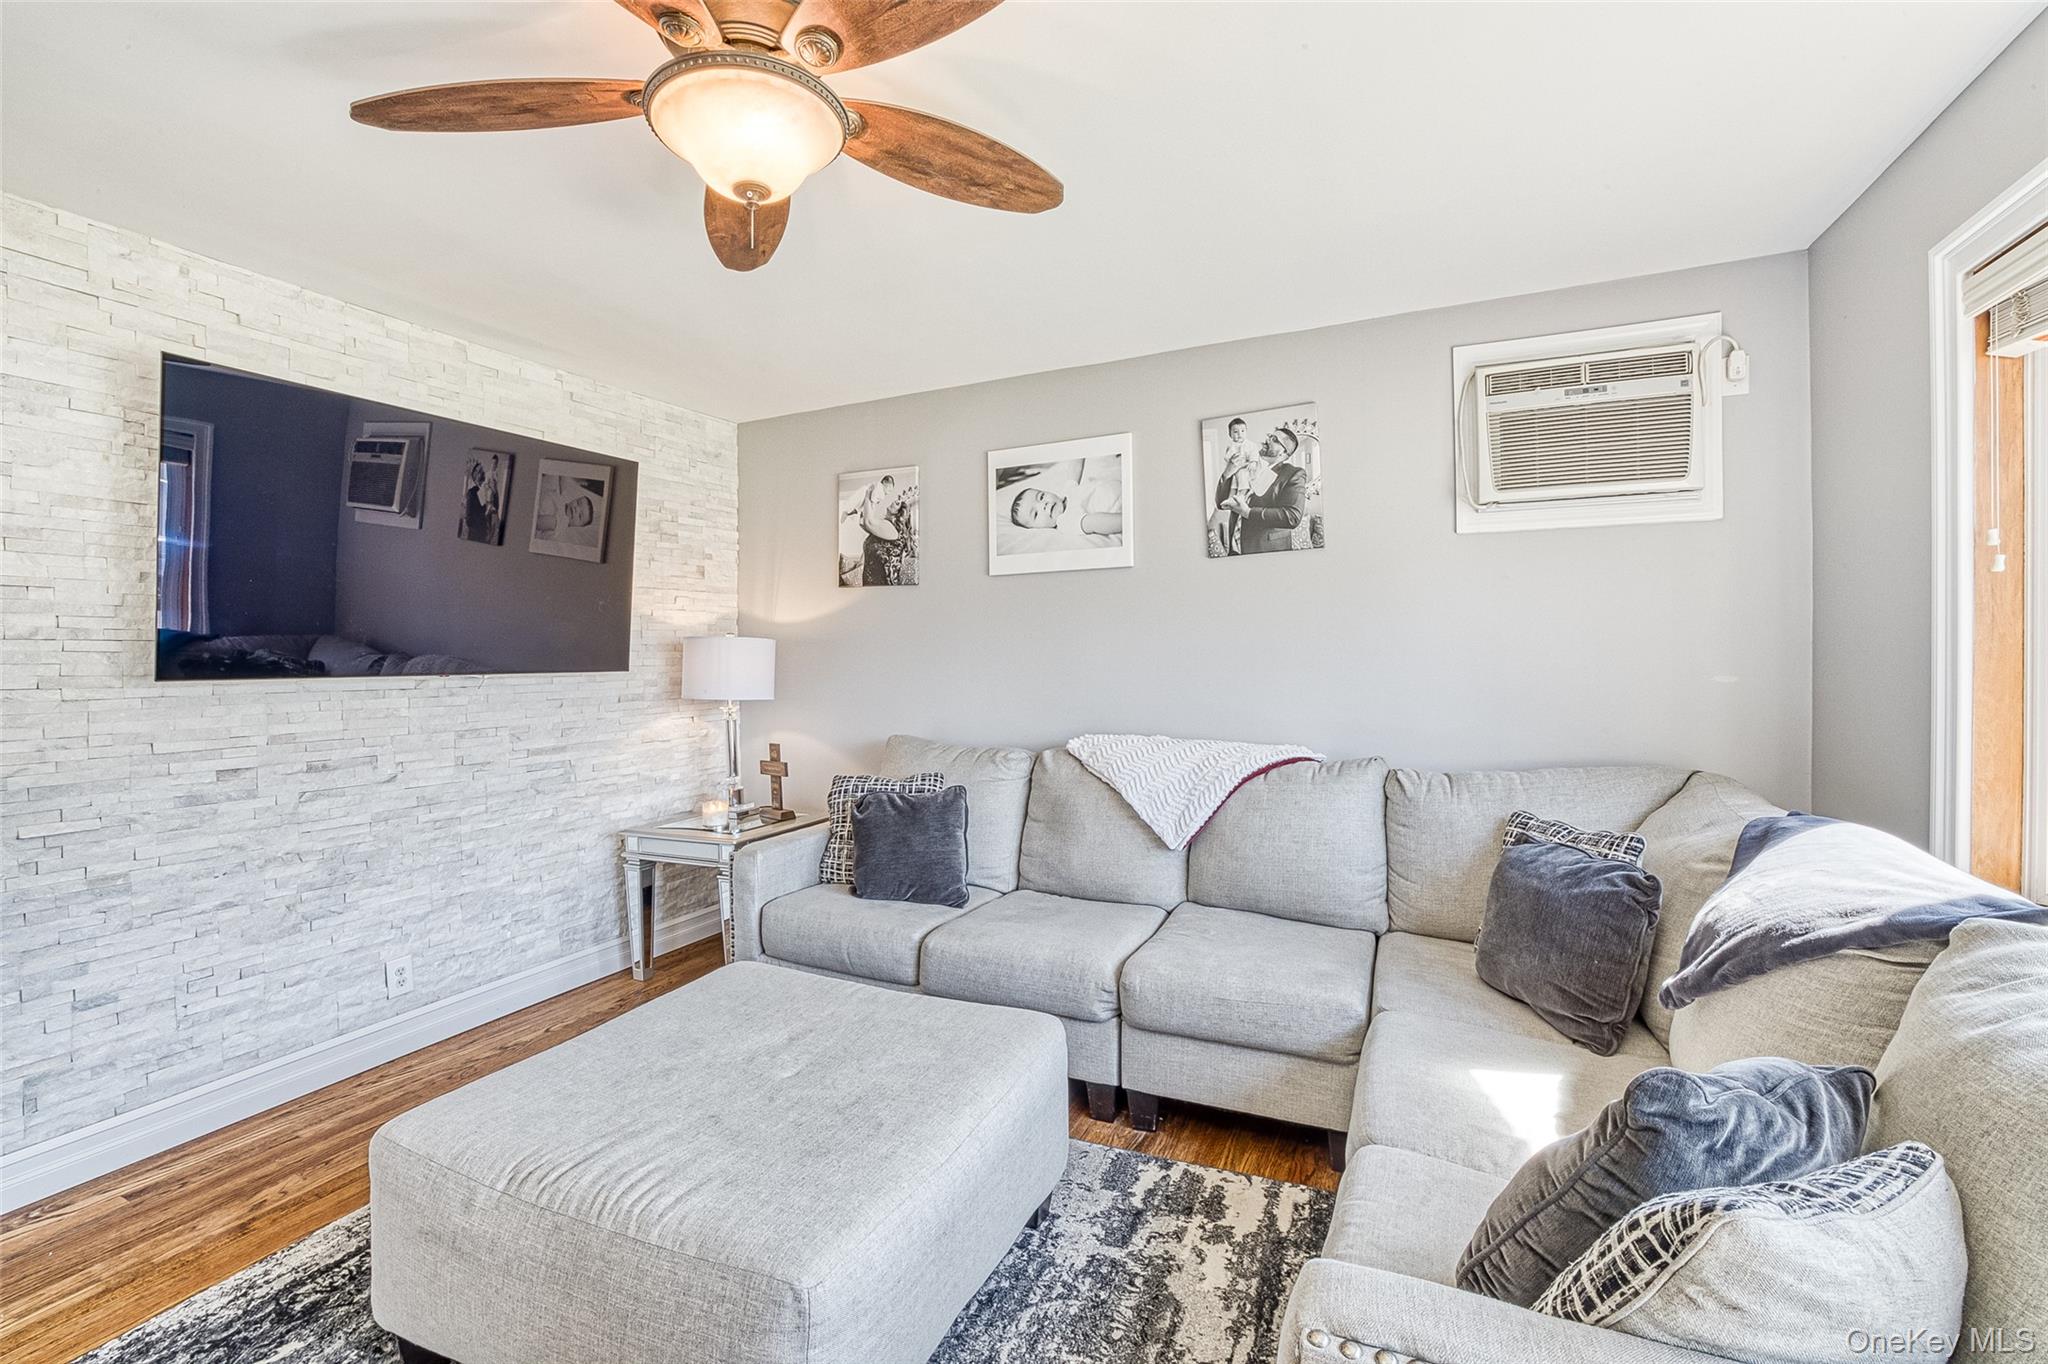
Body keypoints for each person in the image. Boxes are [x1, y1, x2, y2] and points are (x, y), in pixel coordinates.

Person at [1215, 427, 1307, 554]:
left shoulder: (1294, 474)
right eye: (1270, 435)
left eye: (1274, 439)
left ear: (1283, 453)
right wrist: (1227, 473)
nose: (1267, 439)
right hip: (1235, 549)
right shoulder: (1246, 466)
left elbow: (1292, 517)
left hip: (1266, 550)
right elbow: (1221, 503)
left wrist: (1247, 512)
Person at [1008, 458, 1122, 540]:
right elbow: (1094, 522)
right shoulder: (1065, 522)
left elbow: (1075, 469)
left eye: (1041, 496)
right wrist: (1126, 520)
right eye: (1036, 514)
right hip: (1119, 507)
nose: (1044, 505)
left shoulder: (1066, 493)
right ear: (1036, 529)